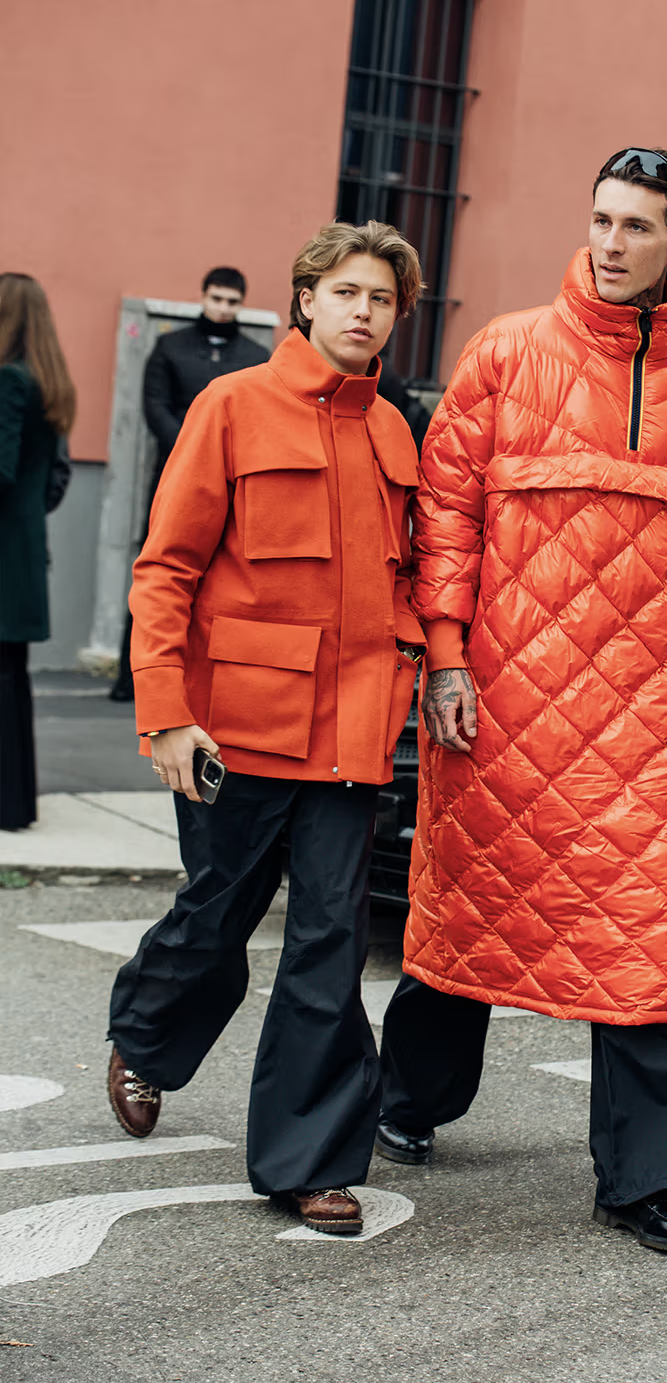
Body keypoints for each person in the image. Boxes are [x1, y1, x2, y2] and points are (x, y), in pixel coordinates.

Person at [376, 148, 667, 1258]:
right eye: (600, 220)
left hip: (647, 713)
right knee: (467, 906)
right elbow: (447, 511)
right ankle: (406, 1100)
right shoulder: (506, 350)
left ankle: (651, 1183)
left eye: (637, 227)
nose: (610, 243)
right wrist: (448, 657)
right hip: (500, 699)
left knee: (648, 942)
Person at [106, 222, 426, 1235]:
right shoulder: (231, 405)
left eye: (381, 297)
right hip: (236, 729)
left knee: (330, 946)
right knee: (215, 919)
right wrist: (165, 713)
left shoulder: (394, 430)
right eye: (346, 291)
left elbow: (407, 580)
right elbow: (165, 570)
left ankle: (306, 1159)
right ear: (303, 301)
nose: (362, 310)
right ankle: (147, 1038)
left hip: (352, 736)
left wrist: (419, 660)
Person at [110, 267, 269, 701]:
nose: (223, 308)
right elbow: (154, 407)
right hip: (175, 474)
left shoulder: (257, 356)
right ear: (203, 297)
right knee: (160, 563)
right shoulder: (169, 348)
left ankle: (208, 674)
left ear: (242, 304)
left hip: (237, 481)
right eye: (217, 299)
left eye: (232, 301)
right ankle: (133, 675)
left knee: (225, 570)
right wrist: (195, 449)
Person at [0, 273, 76, 830]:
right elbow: (53, 481)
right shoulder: (47, 382)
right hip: (21, 553)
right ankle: (14, 804)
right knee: (11, 682)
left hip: (5, 555)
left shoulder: (8, 380)